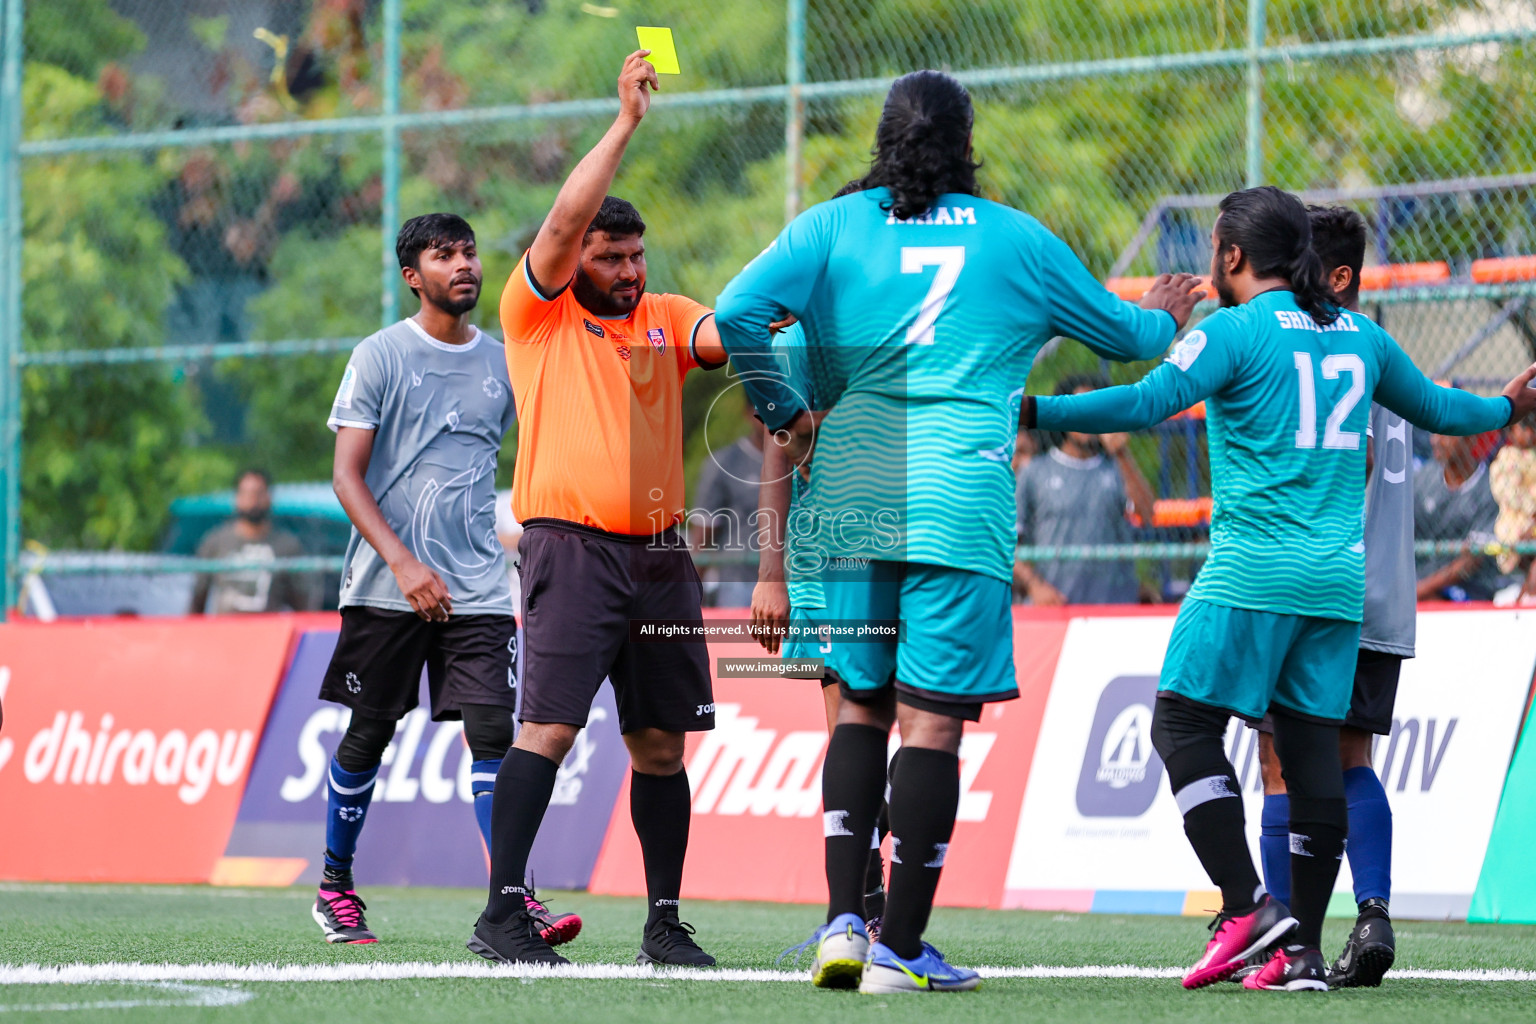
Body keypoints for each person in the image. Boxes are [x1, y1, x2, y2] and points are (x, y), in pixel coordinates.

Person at [716, 70, 1202, 993]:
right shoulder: (1014, 240)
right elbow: (1130, 337)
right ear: (966, 143)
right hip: (957, 502)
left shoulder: (831, 227)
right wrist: (1168, 314)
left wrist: (782, 404)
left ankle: (842, 929)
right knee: (931, 727)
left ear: (883, 142)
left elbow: (738, 311)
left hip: (852, 496)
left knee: (857, 705)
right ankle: (903, 947)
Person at [1024, 185, 1536, 992]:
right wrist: (1506, 402)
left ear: (1232, 256)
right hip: (1336, 585)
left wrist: (1030, 408)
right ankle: (1299, 951)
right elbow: (1443, 409)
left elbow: (1146, 400)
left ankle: (1245, 906)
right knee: (1311, 756)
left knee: (1181, 723)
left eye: (1214, 252)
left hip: (1251, 572)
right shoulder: (1361, 337)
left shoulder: (1234, 329)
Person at [468, 51, 730, 968]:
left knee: (662, 746)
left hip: (660, 560)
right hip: (571, 551)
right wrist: (624, 123)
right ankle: (503, 911)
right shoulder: (535, 315)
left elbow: (723, 334)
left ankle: (663, 922)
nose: (626, 269)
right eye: (610, 256)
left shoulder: (664, 312)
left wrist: (785, 305)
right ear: (573, 256)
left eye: (635, 255)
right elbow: (564, 216)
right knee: (548, 728)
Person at [314, 213, 577, 949]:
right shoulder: (379, 356)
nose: (463, 264)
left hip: (481, 589)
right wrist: (404, 564)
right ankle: (335, 886)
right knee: (370, 731)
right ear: (412, 274)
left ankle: (511, 900)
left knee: (495, 731)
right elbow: (345, 475)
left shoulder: (505, 363)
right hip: (385, 585)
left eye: (468, 252)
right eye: (443, 254)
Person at [1239, 204, 1415, 989]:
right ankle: (1371, 911)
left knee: (1279, 763)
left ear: (1337, 277)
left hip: (1318, 590)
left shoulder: (1324, 349)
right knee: (1351, 760)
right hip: (1384, 597)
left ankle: (1284, 933)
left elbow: (1358, 460)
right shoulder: (1384, 354)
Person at [1014, 374, 1156, 606]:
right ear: (1064, 412)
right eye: (1082, 407)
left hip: (1113, 610)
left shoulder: (1117, 468)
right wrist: (1034, 586)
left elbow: (1148, 514)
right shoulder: (1035, 472)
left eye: (1095, 409)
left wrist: (1122, 454)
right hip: (1057, 610)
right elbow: (1007, 544)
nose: (1088, 417)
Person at [189, 468, 315, 614]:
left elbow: (303, 603)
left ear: (269, 497)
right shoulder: (215, 542)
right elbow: (197, 598)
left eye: (258, 493)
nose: (253, 500)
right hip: (225, 631)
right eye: (247, 493)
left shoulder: (287, 546)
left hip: (271, 632)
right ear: (237, 497)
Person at [691, 405, 766, 608]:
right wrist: (692, 592)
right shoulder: (724, 461)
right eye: (762, 410)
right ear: (748, 412)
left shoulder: (797, 458)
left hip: (791, 581)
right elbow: (704, 528)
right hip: (737, 584)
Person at [1415, 433, 1503, 601]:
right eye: (1434, 433)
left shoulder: (1490, 488)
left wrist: (1419, 591)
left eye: (1445, 435)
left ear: (1470, 440)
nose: (1435, 440)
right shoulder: (1423, 478)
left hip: (1471, 586)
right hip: (1423, 578)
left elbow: (1472, 561)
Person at [1490, 411, 1536, 602]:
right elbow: (1508, 494)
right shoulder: (1508, 457)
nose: (1530, 434)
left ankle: (1525, 594)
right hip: (1515, 519)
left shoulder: (1531, 456)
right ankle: (1520, 594)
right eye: (1523, 429)